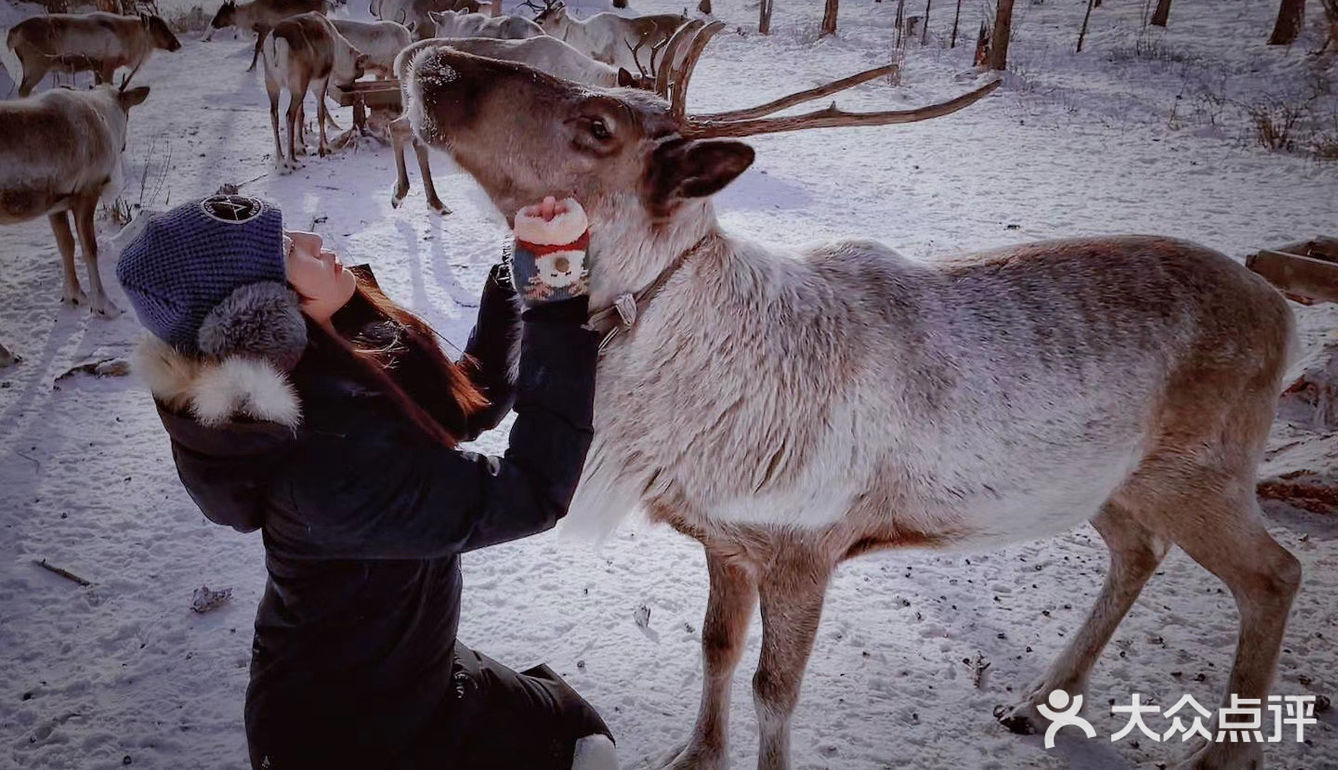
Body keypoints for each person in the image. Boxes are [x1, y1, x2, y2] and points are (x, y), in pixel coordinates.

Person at [116, 193, 614, 770]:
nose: (309, 240)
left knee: (576, 735)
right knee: (577, 748)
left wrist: (528, 262)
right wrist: (557, 292)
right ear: (263, 313)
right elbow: (533, 493)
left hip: (410, 674)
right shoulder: (328, 470)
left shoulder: (319, 360)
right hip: (350, 737)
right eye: (283, 248)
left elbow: (463, 405)